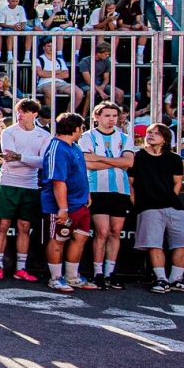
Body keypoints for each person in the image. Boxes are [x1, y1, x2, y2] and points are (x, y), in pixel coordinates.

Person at [130, 122, 184, 293]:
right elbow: (130, 184)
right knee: (154, 244)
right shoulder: (137, 157)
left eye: (156, 133)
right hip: (148, 207)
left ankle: (176, 279)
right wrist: (138, 204)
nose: (150, 135)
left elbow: (178, 182)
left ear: (165, 139)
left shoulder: (174, 158)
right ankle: (161, 279)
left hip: (174, 206)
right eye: (149, 132)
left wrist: (170, 198)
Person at [0, 99, 52, 281]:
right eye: (19, 111)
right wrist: (27, 159)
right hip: (8, 183)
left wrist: (20, 157)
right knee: (3, 224)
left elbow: (44, 163)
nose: (20, 115)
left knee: (24, 226)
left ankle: (21, 268)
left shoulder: (44, 135)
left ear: (35, 114)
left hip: (30, 185)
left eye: (24, 112)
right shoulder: (9, 132)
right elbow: (11, 160)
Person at [77, 101, 134, 289]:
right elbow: (87, 163)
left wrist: (100, 158)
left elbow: (129, 163)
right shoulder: (87, 136)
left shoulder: (125, 137)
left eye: (114, 116)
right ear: (97, 117)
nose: (111, 119)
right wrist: (117, 161)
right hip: (97, 188)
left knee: (115, 231)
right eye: (107, 115)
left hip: (120, 189)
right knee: (101, 231)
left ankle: (110, 273)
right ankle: (98, 272)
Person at [40, 111, 93, 292]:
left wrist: (87, 193)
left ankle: (72, 276)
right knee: (58, 239)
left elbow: (81, 173)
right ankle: (55, 278)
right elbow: (58, 180)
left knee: (80, 237)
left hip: (80, 203)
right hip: (63, 205)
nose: (82, 131)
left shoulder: (74, 147)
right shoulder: (58, 148)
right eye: (81, 128)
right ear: (76, 129)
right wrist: (63, 208)